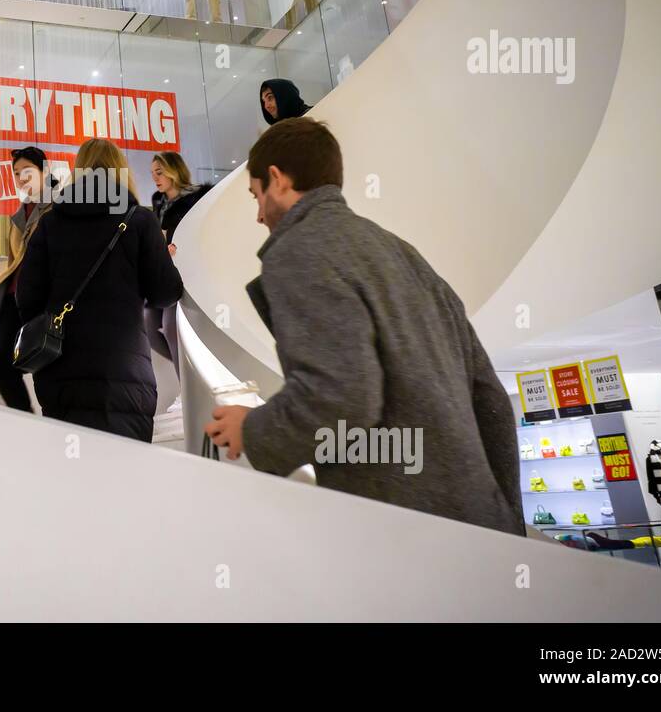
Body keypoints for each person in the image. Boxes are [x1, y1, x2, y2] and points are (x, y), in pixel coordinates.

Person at [203, 118, 525, 536]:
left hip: (399, 527)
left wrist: (253, 428)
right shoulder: (402, 253)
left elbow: (341, 398)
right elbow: (491, 399)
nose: (260, 216)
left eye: (256, 196)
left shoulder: (299, 251)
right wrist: (505, 518)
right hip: (478, 520)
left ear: (278, 180)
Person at [17, 139, 182, 441]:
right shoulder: (139, 220)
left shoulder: (51, 223)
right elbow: (165, 293)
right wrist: (162, 260)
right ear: (121, 171)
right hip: (125, 375)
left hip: (60, 373)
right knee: (124, 474)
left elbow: (27, 297)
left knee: (67, 472)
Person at [0, 147, 55, 412]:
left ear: (43, 172)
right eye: (16, 173)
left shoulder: (58, 206)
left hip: (43, 298)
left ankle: (44, 423)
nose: (21, 178)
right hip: (15, 296)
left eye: (27, 171)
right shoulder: (20, 212)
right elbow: (13, 258)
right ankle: (24, 419)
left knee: (45, 362)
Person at [146, 151, 211, 370]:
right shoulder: (159, 204)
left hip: (186, 274)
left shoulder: (196, 200)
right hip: (163, 273)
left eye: (159, 172)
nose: (155, 178)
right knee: (149, 323)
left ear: (173, 170)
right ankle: (186, 377)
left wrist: (178, 249)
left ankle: (186, 387)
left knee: (170, 326)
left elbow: (203, 236)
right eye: (153, 173)